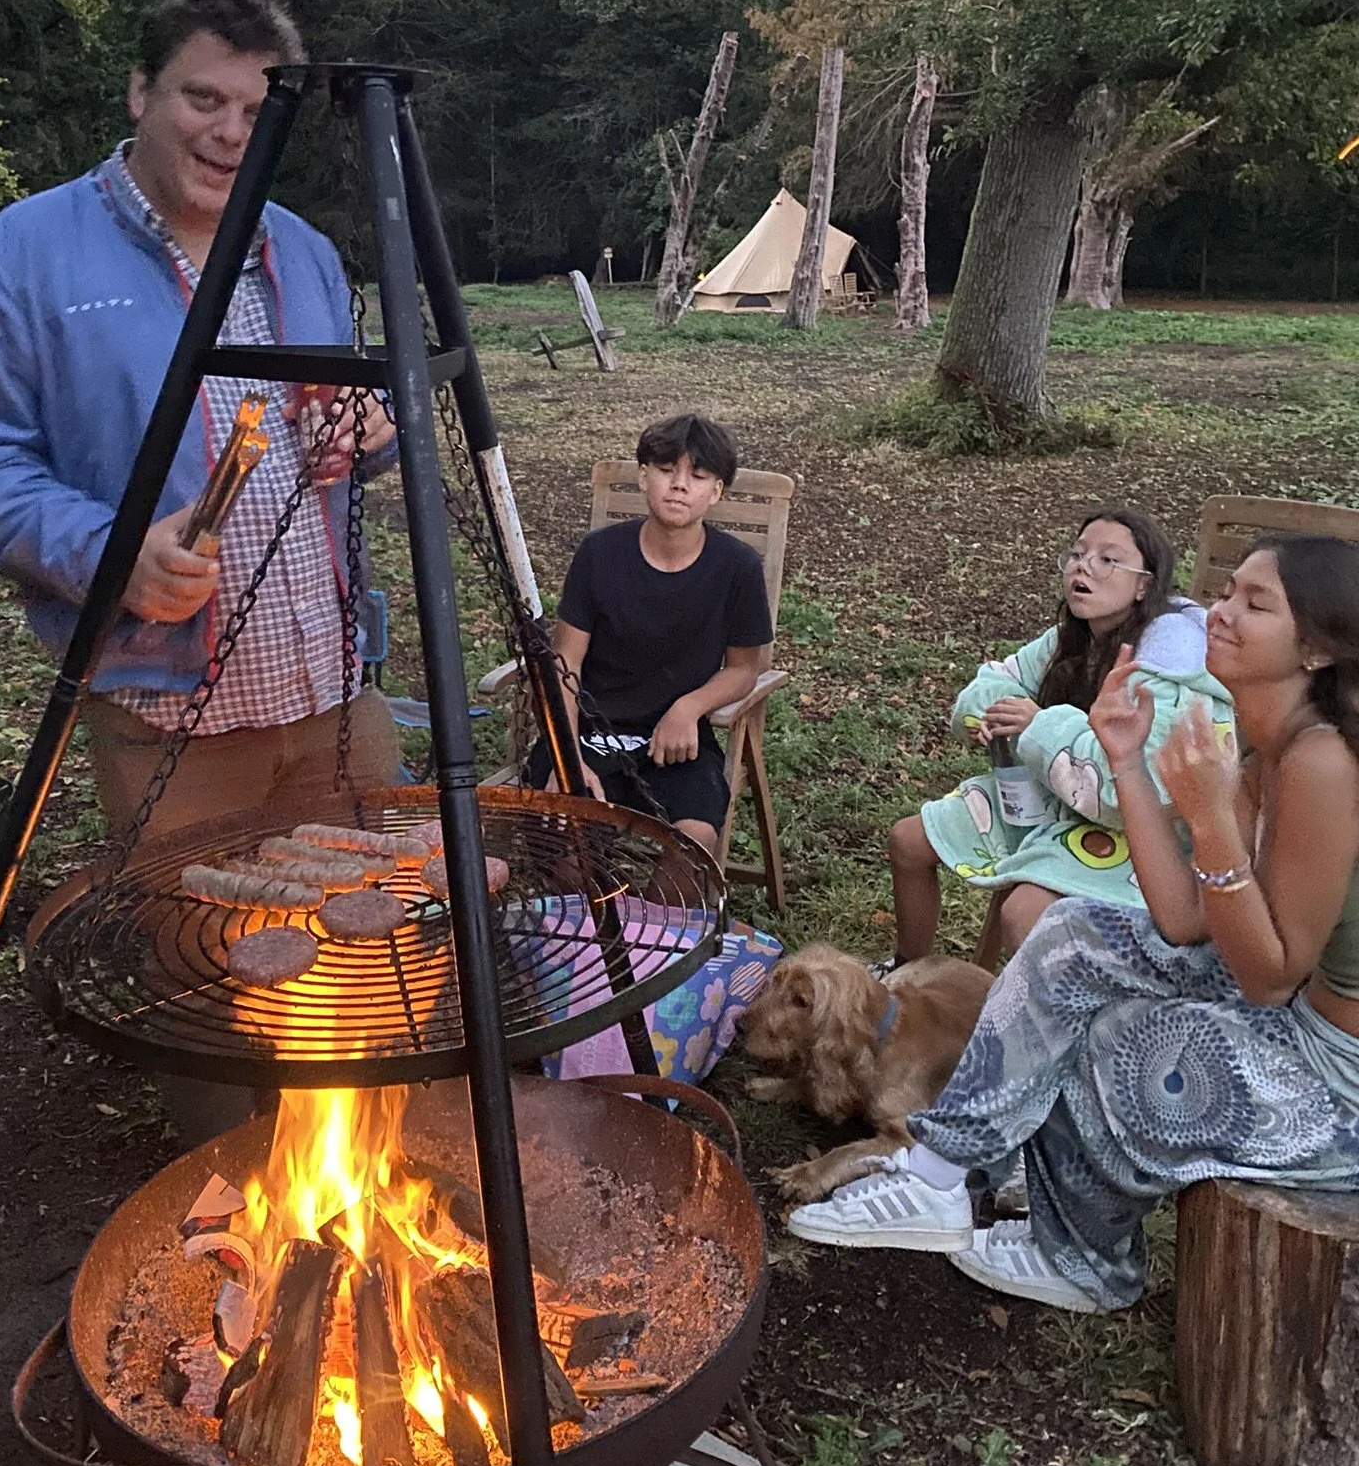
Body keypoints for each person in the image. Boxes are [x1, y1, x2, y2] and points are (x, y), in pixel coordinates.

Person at [785, 535, 1359, 1316]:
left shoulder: (1325, 763)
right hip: (1279, 1004)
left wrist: (1212, 821)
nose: (1218, 614)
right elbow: (1185, 919)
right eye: (1228, 594)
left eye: (1255, 605)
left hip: (1333, 1079)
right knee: (1075, 933)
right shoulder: (1272, 745)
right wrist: (1123, 757)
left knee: (1116, 1039)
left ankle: (1091, 1264)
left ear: (1319, 648)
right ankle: (939, 1175)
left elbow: (1269, 975)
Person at [0, 0, 402, 846]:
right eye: (204, 98)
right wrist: (111, 556)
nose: (232, 133)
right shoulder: (24, 255)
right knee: (197, 967)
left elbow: (356, 417)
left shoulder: (298, 250)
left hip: (335, 694)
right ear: (141, 90)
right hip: (167, 719)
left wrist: (368, 430)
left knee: (373, 955)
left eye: (259, 111)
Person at [885, 507, 1233, 970]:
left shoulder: (1167, 665)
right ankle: (904, 975)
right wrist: (997, 716)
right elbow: (988, 686)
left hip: (1140, 834)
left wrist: (1037, 725)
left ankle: (1031, 1021)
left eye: (1108, 560)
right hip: (1060, 801)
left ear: (1144, 584)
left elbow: (1118, 791)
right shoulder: (1072, 638)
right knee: (908, 841)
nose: (1083, 567)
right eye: (1077, 554)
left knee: (1024, 909)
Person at [527, 415, 773, 856]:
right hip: (586, 733)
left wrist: (689, 707)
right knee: (567, 837)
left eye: (697, 476)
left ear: (715, 491)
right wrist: (567, 759)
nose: (679, 485)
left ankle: (663, 925)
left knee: (695, 841)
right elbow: (565, 663)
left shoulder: (736, 569)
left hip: (675, 743)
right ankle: (586, 922)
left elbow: (743, 669)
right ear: (644, 476)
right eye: (665, 470)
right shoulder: (598, 555)